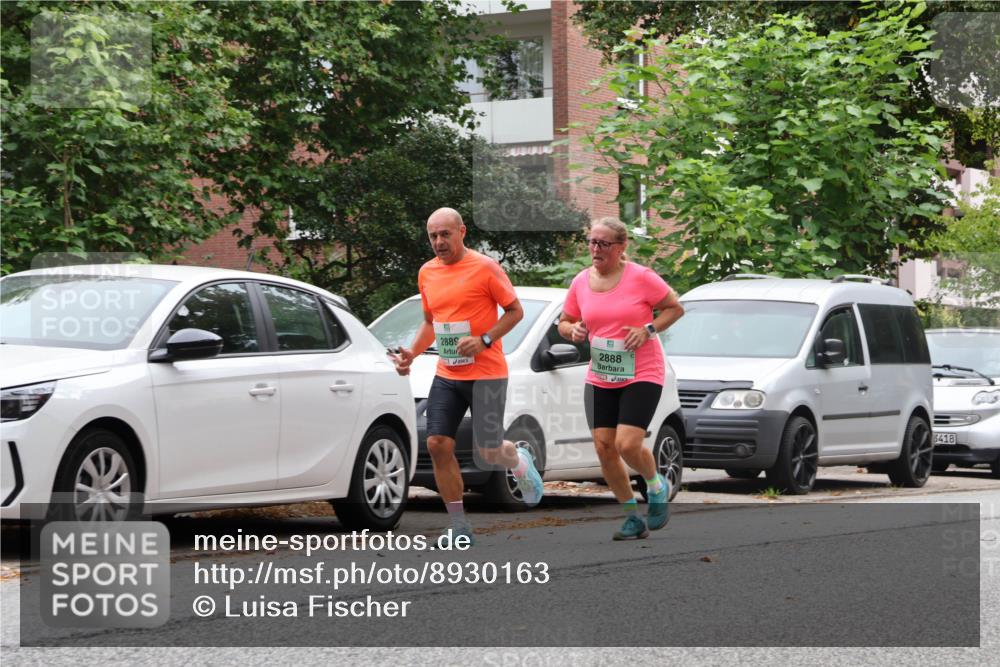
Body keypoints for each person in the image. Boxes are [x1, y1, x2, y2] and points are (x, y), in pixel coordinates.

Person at [390, 207, 544, 547]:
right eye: (433, 236)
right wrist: (413, 354)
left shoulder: (484, 267)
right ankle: (459, 526)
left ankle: (517, 459)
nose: (439, 242)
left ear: (462, 232)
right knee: (437, 444)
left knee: (488, 452)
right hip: (448, 371)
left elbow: (515, 311)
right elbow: (431, 322)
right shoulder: (427, 272)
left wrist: (484, 339)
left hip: (486, 372)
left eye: (445, 234)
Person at [557, 217, 684, 540]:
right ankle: (631, 517)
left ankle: (656, 485)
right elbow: (565, 320)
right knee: (604, 447)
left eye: (603, 244)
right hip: (602, 374)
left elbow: (674, 308)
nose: (595, 249)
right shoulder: (581, 281)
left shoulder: (641, 277)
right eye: (592, 242)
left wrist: (647, 330)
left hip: (642, 371)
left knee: (626, 443)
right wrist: (572, 330)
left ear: (621, 247)